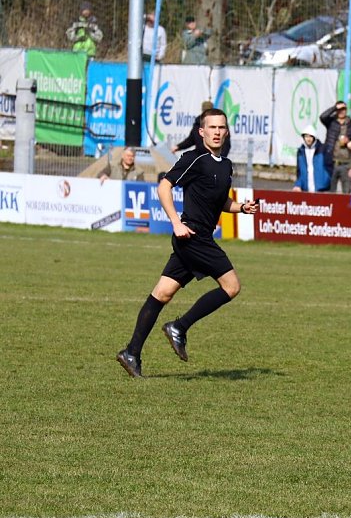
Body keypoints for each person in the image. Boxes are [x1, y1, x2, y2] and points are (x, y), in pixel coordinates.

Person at [116, 109, 258, 378]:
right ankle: (179, 327)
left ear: (227, 132)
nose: (217, 132)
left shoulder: (225, 165)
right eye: (212, 127)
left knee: (163, 293)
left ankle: (131, 352)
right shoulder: (194, 158)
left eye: (221, 127)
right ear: (201, 132)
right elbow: (164, 187)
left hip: (196, 238)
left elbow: (220, 201)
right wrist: (175, 222)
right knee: (232, 286)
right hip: (193, 237)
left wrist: (241, 207)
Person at [320, 101, 351, 191]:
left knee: (346, 193)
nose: (341, 111)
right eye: (339, 110)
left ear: (346, 110)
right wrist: (334, 107)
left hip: (346, 164)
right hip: (332, 162)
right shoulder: (331, 122)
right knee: (330, 192)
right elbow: (322, 117)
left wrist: (348, 141)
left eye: (343, 109)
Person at [293, 125, 332, 193]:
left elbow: (329, 167)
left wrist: (326, 180)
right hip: (306, 187)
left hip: (321, 188)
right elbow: (299, 171)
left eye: (310, 136)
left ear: (314, 137)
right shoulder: (301, 151)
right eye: (306, 136)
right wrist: (298, 184)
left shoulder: (323, 149)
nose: (308, 139)